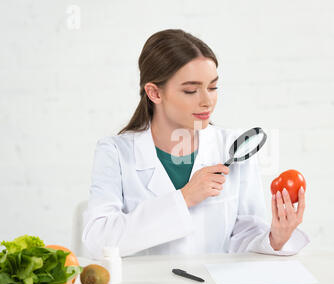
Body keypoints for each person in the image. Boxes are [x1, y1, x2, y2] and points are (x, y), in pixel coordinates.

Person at [82, 29, 310, 259]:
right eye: (191, 90)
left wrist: (275, 238)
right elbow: (98, 240)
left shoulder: (234, 147)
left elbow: (246, 235)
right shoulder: (115, 152)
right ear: (154, 93)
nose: (207, 101)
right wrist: (184, 198)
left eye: (212, 87)